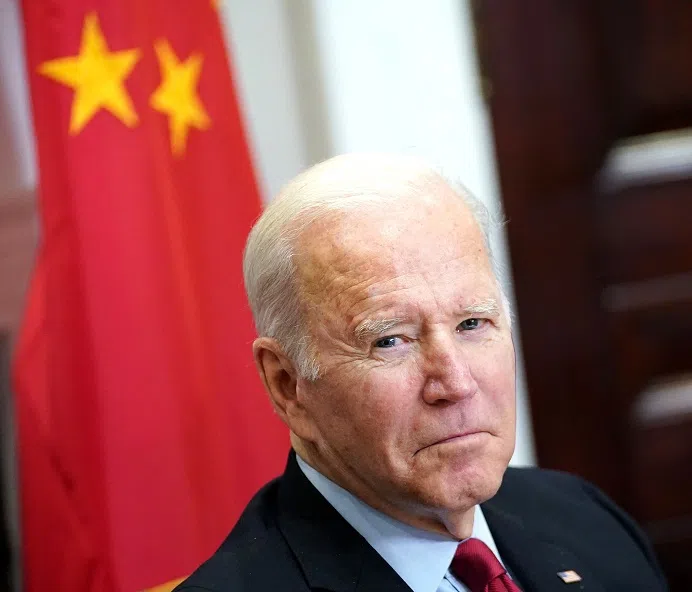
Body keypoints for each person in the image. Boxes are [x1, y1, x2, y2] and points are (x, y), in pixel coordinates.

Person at [176, 154, 667, 592]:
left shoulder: (584, 519)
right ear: (288, 385)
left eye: (472, 323)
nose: (456, 383)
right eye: (390, 340)